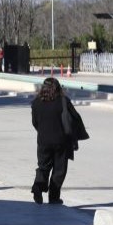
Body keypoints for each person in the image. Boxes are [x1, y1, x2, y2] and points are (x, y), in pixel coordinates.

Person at [30, 77, 87, 205]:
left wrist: (43, 131)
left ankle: (38, 187)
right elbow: (75, 118)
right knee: (59, 170)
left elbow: (35, 123)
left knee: (43, 167)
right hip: (61, 141)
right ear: (57, 88)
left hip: (43, 141)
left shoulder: (36, 102)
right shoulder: (63, 101)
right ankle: (54, 197)